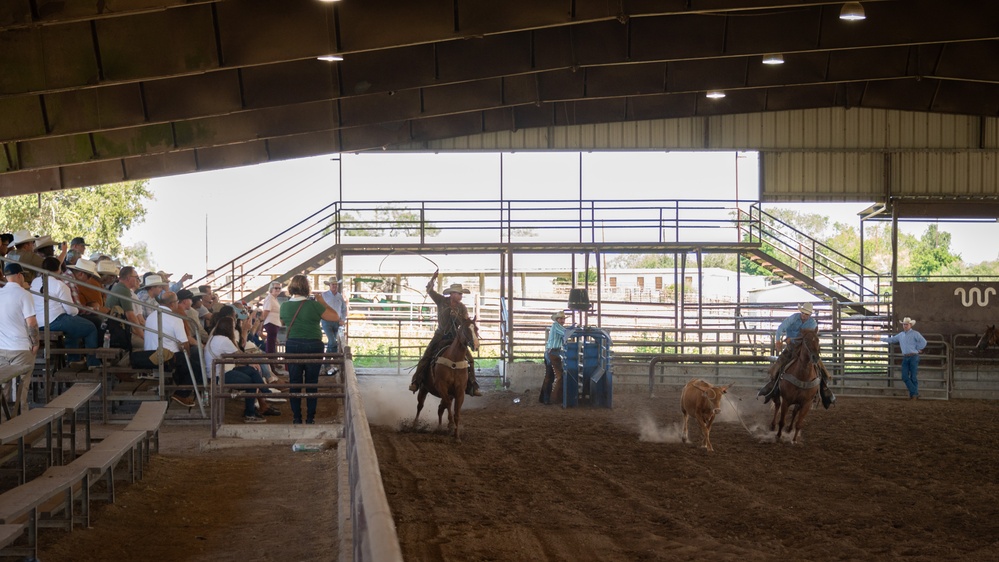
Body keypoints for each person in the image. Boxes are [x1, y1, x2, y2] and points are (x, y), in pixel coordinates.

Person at [408, 271, 482, 397]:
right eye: (458, 293)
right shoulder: (441, 301)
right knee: (426, 356)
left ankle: (472, 385)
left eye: (461, 294)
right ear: (452, 294)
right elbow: (430, 290)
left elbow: (464, 323)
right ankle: (416, 381)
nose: (460, 296)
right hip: (440, 335)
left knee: (470, 359)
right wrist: (433, 278)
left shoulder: (462, 308)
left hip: (455, 338)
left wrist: (457, 317)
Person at [280, 275, 339, 425]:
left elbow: (282, 320)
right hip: (314, 345)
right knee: (312, 382)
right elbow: (335, 317)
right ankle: (310, 418)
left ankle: (297, 418)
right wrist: (322, 302)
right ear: (307, 288)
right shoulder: (314, 305)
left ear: (291, 288)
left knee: (295, 382)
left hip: (292, 345)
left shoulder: (285, 306)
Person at [757, 302, 836, 409]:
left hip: (805, 348)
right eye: (803, 313)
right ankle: (772, 386)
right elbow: (781, 328)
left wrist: (793, 339)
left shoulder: (813, 324)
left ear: (810, 315)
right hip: (791, 347)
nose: (804, 315)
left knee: (820, 366)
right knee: (779, 363)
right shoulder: (793, 318)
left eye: (806, 314)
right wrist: (777, 341)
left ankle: (823, 390)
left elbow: (808, 338)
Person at [204, 316, 280, 423]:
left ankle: (265, 391)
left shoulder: (215, 337)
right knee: (251, 383)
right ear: (229, 328)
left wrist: (250, 362)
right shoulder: (224, 340)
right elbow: (239, 355)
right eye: (234, 325)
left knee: (252, 371)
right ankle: (250, 414)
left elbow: (239, 355)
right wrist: (251, 361)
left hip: (221, 371)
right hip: (219, 375)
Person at [31, 256, 100, 369]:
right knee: (90, 327)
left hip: (38, 322)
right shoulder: (60, 285)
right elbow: (72, 310)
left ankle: (74, 360)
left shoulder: (35, 282)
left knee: (73, 325)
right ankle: (92, 363)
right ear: (58, 269)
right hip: (55, 320)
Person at [145, 291, 202, 407]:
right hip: (166, 356)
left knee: (184, 363)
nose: (177, 304)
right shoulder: (174, 318)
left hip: (149, 355)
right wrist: (188, 354)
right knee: (196, 367)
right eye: (176, 302)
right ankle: (182, 394)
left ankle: (182, 391)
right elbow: (184, 344)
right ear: (172, 304)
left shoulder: (151, 316)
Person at [0, 263, 39, 415]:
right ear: (19, 275)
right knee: (23, 386)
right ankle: (22, 419)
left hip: (2, 347)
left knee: (4, 386)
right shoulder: (24, 294)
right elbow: (32, 323)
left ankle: (4, 421)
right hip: (22, 347)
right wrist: (36, 342)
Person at [882, 317, 927, 400]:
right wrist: (881, 339)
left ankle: (913, 395)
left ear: (910, 325)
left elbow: (924, 342)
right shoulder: (901, 334)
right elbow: (892, 339)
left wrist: (917, 348)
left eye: (906, 324)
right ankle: (915, 393)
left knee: (912, 376)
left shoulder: (915, 333)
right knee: (905, 376)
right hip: (908, 356)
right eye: (904, 324)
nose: (905, 326)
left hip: (913, 356)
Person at [319, 277, 347, 376]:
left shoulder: (339, 296)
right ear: (329, 285)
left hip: (336, 321)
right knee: (332, 341)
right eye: (333, 284)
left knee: (333, 342)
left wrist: (343, 319)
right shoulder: (324, 295)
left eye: (336, 284)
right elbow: (319, 307)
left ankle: (327, 365)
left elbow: (344, 309)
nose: (334, 286)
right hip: (326, 321)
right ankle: (333, 364)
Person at [540, 310, 567, 405]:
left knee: (549, 376)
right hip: (553, 354)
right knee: (560, 376)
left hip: (550, 352)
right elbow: (566, 333)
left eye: (563, 318)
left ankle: (544, 398)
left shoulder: (556, 326)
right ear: (557, 319)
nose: (563, 320)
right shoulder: (556, 326)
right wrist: (573, 330)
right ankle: (555, 398)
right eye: (561, 318)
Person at [261, 281, 284, 373]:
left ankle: (272, 366)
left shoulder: (274, 299)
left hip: (274, 324)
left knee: (272, 346)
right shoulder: (270, 299)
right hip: (271, 324)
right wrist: (261, 326)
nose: (278, 290)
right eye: (276, 288)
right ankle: (271, 368)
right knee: (270, 347)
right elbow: (265, 313)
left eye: (279, 288)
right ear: (271, 289)